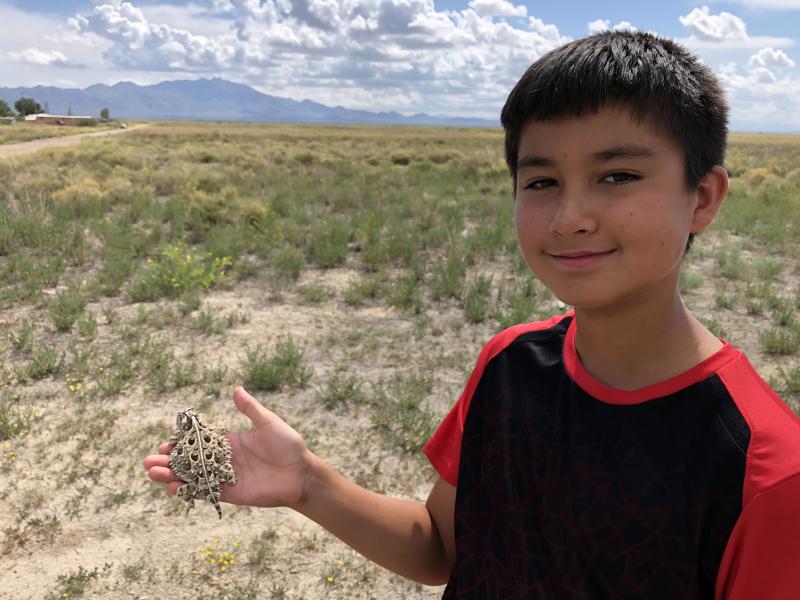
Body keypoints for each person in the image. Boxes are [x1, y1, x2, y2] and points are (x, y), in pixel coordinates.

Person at [144, 31, 800, 598]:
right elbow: (440, 549)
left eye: (618, 175)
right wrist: (307, 483)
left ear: (704, 197)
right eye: (541, 182)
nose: (571, 216)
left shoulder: (765, 471)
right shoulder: (512, 365)